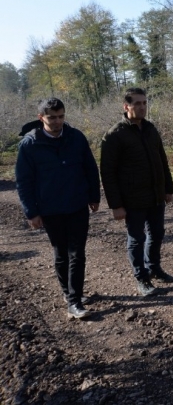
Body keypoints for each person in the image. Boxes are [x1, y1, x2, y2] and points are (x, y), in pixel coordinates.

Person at [15, 98, 100, 319]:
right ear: (40, 117)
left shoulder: (76, 137)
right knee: (61, 254)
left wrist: (94, 196)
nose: (57, 121)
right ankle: (68, 292)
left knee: (77, 254)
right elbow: (24, 181)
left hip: (77, 204)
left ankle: (75, 301)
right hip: (50, 209)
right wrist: (31, 212)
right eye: (52, 117)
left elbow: (90, 168)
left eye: (61, 116)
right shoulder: (30, 144)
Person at [100, 88, 173, 297]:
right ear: (126, 107)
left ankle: (154, 268)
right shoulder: (115, 135)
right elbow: (107, 172)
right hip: (132, 199)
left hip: (155, 196)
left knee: (157, 234)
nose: (142, 107)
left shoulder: (151, 129)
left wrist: (168, 189)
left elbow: (162, 160)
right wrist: (116, 205)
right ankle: (141, 278)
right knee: (136, 239)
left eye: (144, 103)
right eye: (137, 103)